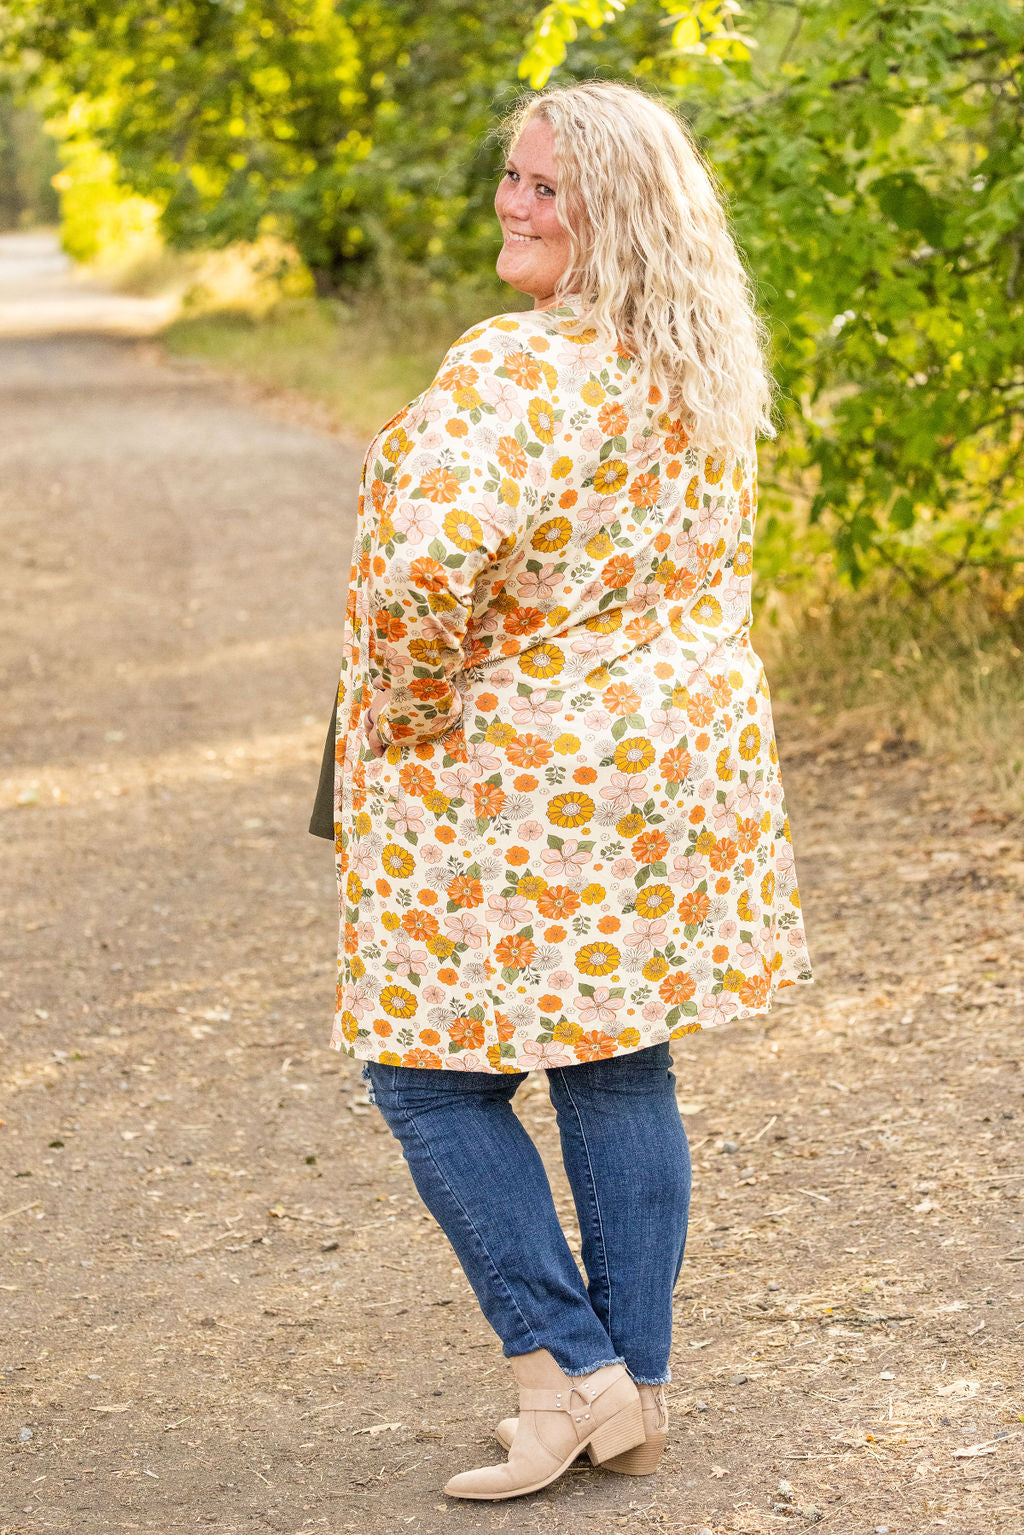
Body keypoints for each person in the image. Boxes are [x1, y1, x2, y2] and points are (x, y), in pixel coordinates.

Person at [311, 79, 814, 1501]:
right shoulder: (699, 362)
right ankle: (631, 1391)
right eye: (513, 177)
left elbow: (421, 574)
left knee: (422, 1071)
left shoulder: (516, 372)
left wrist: (398, 717)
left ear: (618, 214)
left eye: (547, 187)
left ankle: (566, 1371)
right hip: (658, 769)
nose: (511, 204)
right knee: (615, 1058)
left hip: (512, 778)